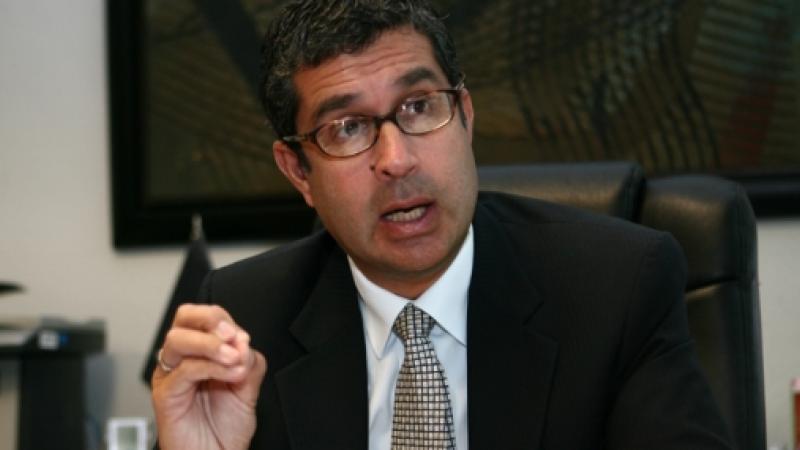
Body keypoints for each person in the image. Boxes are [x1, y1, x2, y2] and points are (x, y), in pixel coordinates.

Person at [151, 1, 734, 449]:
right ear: (299, 171)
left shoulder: (616, 289)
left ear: (466, 118)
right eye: (347, 128)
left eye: (419, 106)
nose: (396, 159)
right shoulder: (244, 324)